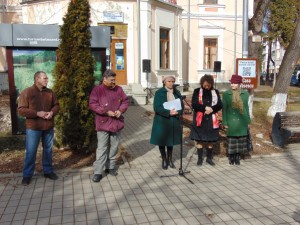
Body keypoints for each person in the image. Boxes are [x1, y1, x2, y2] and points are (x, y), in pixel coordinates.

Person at [18, 71, 59, 185]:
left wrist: (52, 112)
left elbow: (56, 105)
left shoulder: (50, 92)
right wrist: (37, 113)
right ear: (37, 79)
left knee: (48, 150)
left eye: (47, 78)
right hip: (33, 128)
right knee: (31, 152)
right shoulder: (27, 92)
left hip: (48, 126)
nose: (47, 80)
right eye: (44, 78)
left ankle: (48, 171)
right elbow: (21, 110)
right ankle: (27, 175)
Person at [89, 69, 129, 182]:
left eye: (114, 79)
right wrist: (105, 111)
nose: (114, 82)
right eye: (111, 80)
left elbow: (125, 101)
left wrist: (120, 110)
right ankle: (98, 171)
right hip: (103, 123)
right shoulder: (97, 90)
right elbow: (92, 104)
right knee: (102, 148)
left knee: (114, 146)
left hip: (116, 123)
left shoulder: (119, 89)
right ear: (104, 79)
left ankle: (110, 167)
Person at [150, 75, 183, 170]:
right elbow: (157, 107)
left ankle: (170, 159)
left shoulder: (177, 93)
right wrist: (169, 112)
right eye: (169, 81)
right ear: (164, 82)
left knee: (170, 141)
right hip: (162, 120)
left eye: (172, 81)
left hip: (173, 120)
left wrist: (178, 112)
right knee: (162, 141)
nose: (171, 83)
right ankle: (164, 159)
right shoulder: (159, 92)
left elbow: (181, 106)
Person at [190, 74, 222, 166]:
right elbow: (194, 104)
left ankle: (209, 158)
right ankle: (200, 159)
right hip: (200, 119)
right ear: (202, 83)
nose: (207, 86)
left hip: (212, 120)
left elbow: (220, 104)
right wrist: (205, 108)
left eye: (209, 84)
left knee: (210, 140)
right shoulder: (197, 91)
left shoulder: (215, 91)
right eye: (205, 84)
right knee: (199, 140)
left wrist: (212, 109)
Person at [222, 74, 251, 165]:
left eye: (234, 83)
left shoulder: (245, 94)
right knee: (232, 140)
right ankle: (231, 157)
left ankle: (238, 156)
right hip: (231, 120)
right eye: (231, 83)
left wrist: (248, 121)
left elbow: (246, 108)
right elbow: (224, 109)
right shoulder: (226, 94)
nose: (232, 85)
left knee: (240, 139)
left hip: (242, 120)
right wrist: (225, 122)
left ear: (239, 84)